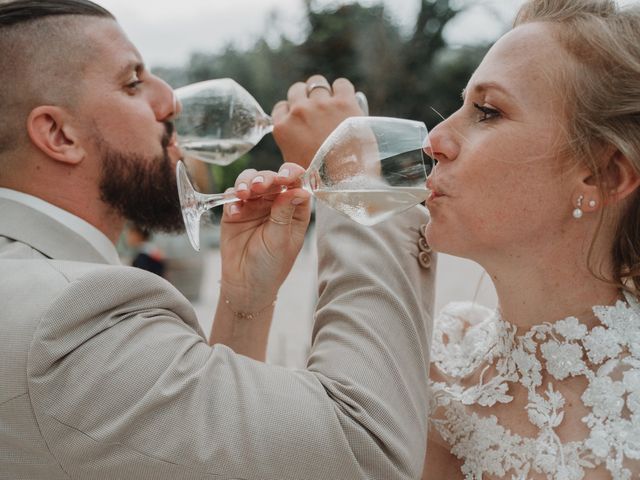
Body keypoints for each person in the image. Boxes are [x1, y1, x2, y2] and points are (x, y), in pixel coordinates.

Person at [0, 1, 435, 479]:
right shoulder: (68, 321)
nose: (171, 102)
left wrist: (244, 304)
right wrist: (356, 179)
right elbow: (364, 450)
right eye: (132, 82)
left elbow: (198, 463)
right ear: (58, 134)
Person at [417, 0, 640, 478]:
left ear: (603, 174)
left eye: (487, 112)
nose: (434, 140)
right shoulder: (438, 358)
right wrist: (251, 300)